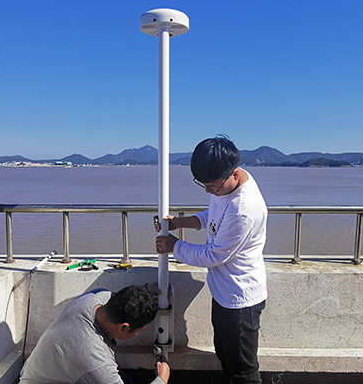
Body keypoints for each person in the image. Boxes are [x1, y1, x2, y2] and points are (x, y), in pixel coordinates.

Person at [154, 136, 267, 384]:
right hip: (224, 294)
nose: (208, 191)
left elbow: (214, 255)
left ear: (234, 174)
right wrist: (181, 222)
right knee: (225, 358)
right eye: (202, 185)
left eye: (211, 187)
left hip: (240, 300)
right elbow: (212, 216)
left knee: (243, 373)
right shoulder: (226, 182)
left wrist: (175, 246)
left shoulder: (244, 210)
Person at [19, 284, 170, 384]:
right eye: (138, 331)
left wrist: (146, 290)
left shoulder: (96, 297)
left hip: (37, 374)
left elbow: (121, 297)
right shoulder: (96, 361)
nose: (137, 334)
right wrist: (162, 379)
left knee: (126, 380)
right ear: (123, 328)